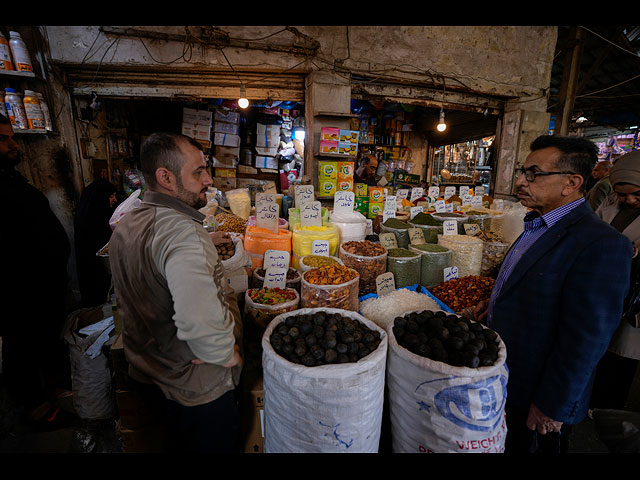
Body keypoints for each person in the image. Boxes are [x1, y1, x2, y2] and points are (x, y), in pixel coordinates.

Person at [474, 135, 633, 454]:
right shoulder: (536, 224)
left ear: (571, 183)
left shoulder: (601, 244)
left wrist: (552, 405)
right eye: (523, 171)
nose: (521, 181)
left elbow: (587, 338)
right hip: (507, 376)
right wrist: (492, 308)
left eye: (534, 173)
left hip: (537, 391)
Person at [108, 132, 243, 453]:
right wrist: (227, 352)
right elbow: (199, 321)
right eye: (197, 172)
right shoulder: (184, 234)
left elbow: (152, 266)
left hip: (148, 374)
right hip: (196, 392)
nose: (208, 179)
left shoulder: (128, 223)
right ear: (165, 177)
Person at [0, 113, 73, 429]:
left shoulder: (11, 178)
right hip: (16, 288)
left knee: (43, 338)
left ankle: (53, 390)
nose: (13, 145)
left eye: (11, 137)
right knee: (22, 346)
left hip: (41, 283)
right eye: (3, 139)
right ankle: (36, 409)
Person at [590, 150, 640, 411]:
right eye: (623, 194)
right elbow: (593, 229)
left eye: (637, 194)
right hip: (603, 286)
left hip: (634, 297)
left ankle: (609, 411)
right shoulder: (608, 203)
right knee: (595, 348)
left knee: (622, 356)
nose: (629, 200)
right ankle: (591, 401)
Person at [74, 178, 118, 307]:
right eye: (111, 196)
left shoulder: (97, 214)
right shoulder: (92, 221)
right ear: (101, 198)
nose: (114, 199)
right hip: (97, 274)